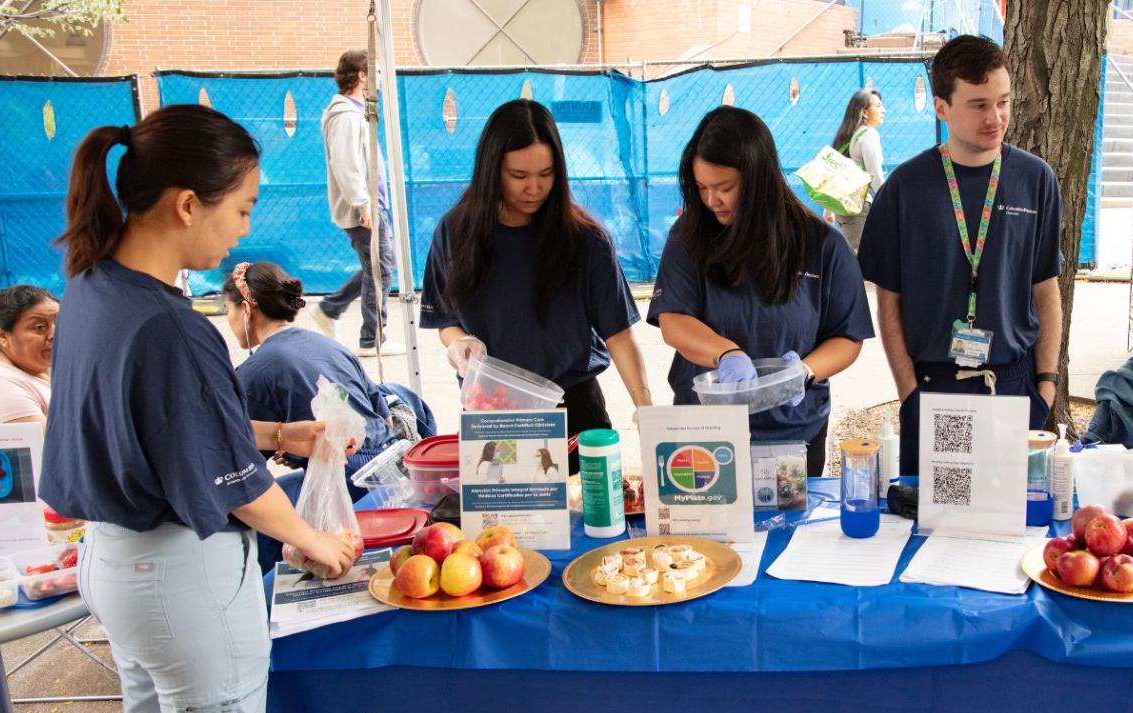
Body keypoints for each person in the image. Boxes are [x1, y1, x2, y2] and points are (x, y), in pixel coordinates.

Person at [42, 104, 360, 713]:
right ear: (188, 202)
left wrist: (281, 433)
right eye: (242, 209)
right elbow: (237, 487)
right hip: (182, 582)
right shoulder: (171, 325)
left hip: (114, 565)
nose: (241, 233)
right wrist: (314, 542)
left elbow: (167, 420)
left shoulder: (92, 286)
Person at [858, 34, 1064, 476]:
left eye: (1003, 102)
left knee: (1010, 523)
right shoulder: (906, 189)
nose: (996, 118)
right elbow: (888, 300)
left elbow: (1046, 289)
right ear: (941, 108)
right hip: (936, 386)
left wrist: (1045, 386)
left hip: (1012, 385)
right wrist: (910, 392)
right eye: (978, 105)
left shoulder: (1036, 179)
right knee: (941, 523)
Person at [421, 99, 651, 475]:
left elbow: (619, 335)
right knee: (507, 525)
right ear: (492, 169)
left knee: (587, 518)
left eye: (546, 174)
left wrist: (644, 405)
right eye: (518, 175)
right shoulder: (456, 232)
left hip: (573, 410)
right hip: (494, 412)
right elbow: (446, 321)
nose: (534, 188)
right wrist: (458, 342)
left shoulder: (585, 240)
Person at [649, 106, 874, 476]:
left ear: (759, 179)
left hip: (793, 432)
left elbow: (847, 337)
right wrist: (726, 355)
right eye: (702, 187)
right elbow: (674, 320)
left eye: (724, 188)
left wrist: (803, 371)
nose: (711, 200)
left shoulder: (822, 244)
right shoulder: (689, 236)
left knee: (792, 532)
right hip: (706, 432)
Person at [225, 260, 435, 571]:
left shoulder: (255, 372)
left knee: (254, 519)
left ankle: (267, 593)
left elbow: (236, 460)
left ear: (246, 309)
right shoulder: (326, 344)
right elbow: (381, 413)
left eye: (227, 309)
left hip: (348, 481)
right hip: (390, 472)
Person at [313, 49, 403, 356]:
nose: (378, 78)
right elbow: (346, 163)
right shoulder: (345, 116)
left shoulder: (355, 111)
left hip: (371, 204)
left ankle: (330, 308)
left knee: (376, 266)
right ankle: (371, 339)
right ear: (362, 75)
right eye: (374, 72)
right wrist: (363, 204)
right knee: (380, 268)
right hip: (364, 208)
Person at [0, 285, 57, 424]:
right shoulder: (0, 386)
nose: (55, 334)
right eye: (40, 327)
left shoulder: (44, 364)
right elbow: (53, 445)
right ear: (2, 336)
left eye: (60, 323)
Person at [830, 88, 886, 251]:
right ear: (864, 112)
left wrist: (828, 211)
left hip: (843, 208)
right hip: (859, 207)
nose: (884, 110)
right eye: (878, 105)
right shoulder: (868, 135)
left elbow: (833, 174)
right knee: (863, 260)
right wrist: (889, 203)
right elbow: (875, 176)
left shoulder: (847, 135)